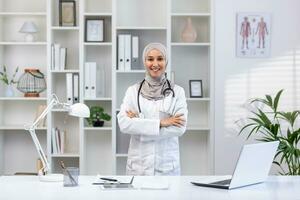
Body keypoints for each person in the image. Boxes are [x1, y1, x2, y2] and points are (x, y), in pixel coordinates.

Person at [117, 43, 188, 176]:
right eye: (150, 59)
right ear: (145, 62)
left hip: (167, 168)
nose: (155, 63)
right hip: (138, 167)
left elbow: (180, 128)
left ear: (166, 61)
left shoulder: (177, 92)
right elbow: (124, 124)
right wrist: (161, 123)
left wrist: (140, 122)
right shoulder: (133, 91)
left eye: (160, 59)